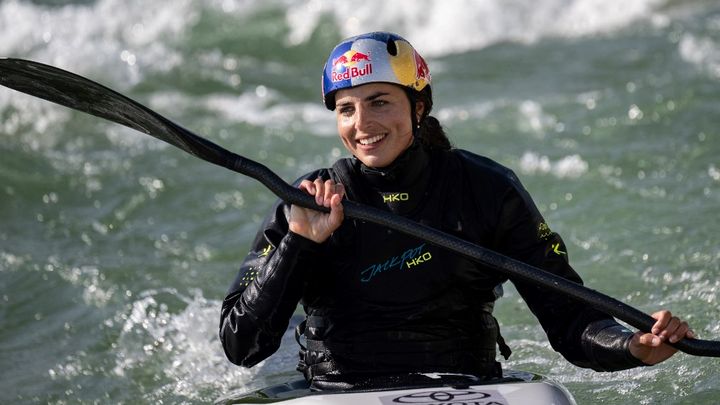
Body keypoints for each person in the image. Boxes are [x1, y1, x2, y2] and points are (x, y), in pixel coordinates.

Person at [219, 31, 694, 390]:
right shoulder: (308, 202)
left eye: (380, 102)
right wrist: (299, 243)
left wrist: (634, 346)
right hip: (339, 387)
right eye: (346, 109)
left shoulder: (487, 190)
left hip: (466, 385)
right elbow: (242, 344)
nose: (362, 124)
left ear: (418, 105)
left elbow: (568, 317)